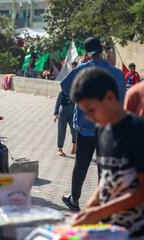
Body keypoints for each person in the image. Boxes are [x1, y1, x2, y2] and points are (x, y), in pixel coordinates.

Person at [70, 67, 144, 238]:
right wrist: (90, 208)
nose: (88, 117)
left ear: (110, 97)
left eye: (90, 109)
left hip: (134, 232)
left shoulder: (137, 131)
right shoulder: (101, 130)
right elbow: (105, 179)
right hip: (108, 230)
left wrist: (99, 212)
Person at [60, 37, 126, 211]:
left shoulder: (82, 68)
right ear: (102, 48)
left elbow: (66, 89)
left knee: (81, 164)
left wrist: (79, 66)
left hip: (85, 128)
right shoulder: (117, 73)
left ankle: (74, 200)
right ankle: (101, 204)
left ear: (86, 53)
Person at [53, 90, 77, 157]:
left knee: (74, 130)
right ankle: (60, 149)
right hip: (63, 113)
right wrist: (56, 113)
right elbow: (58, 103)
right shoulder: (62, 92)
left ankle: (74, 147)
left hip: (73, 114)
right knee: (61, 131)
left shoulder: (76, 92)